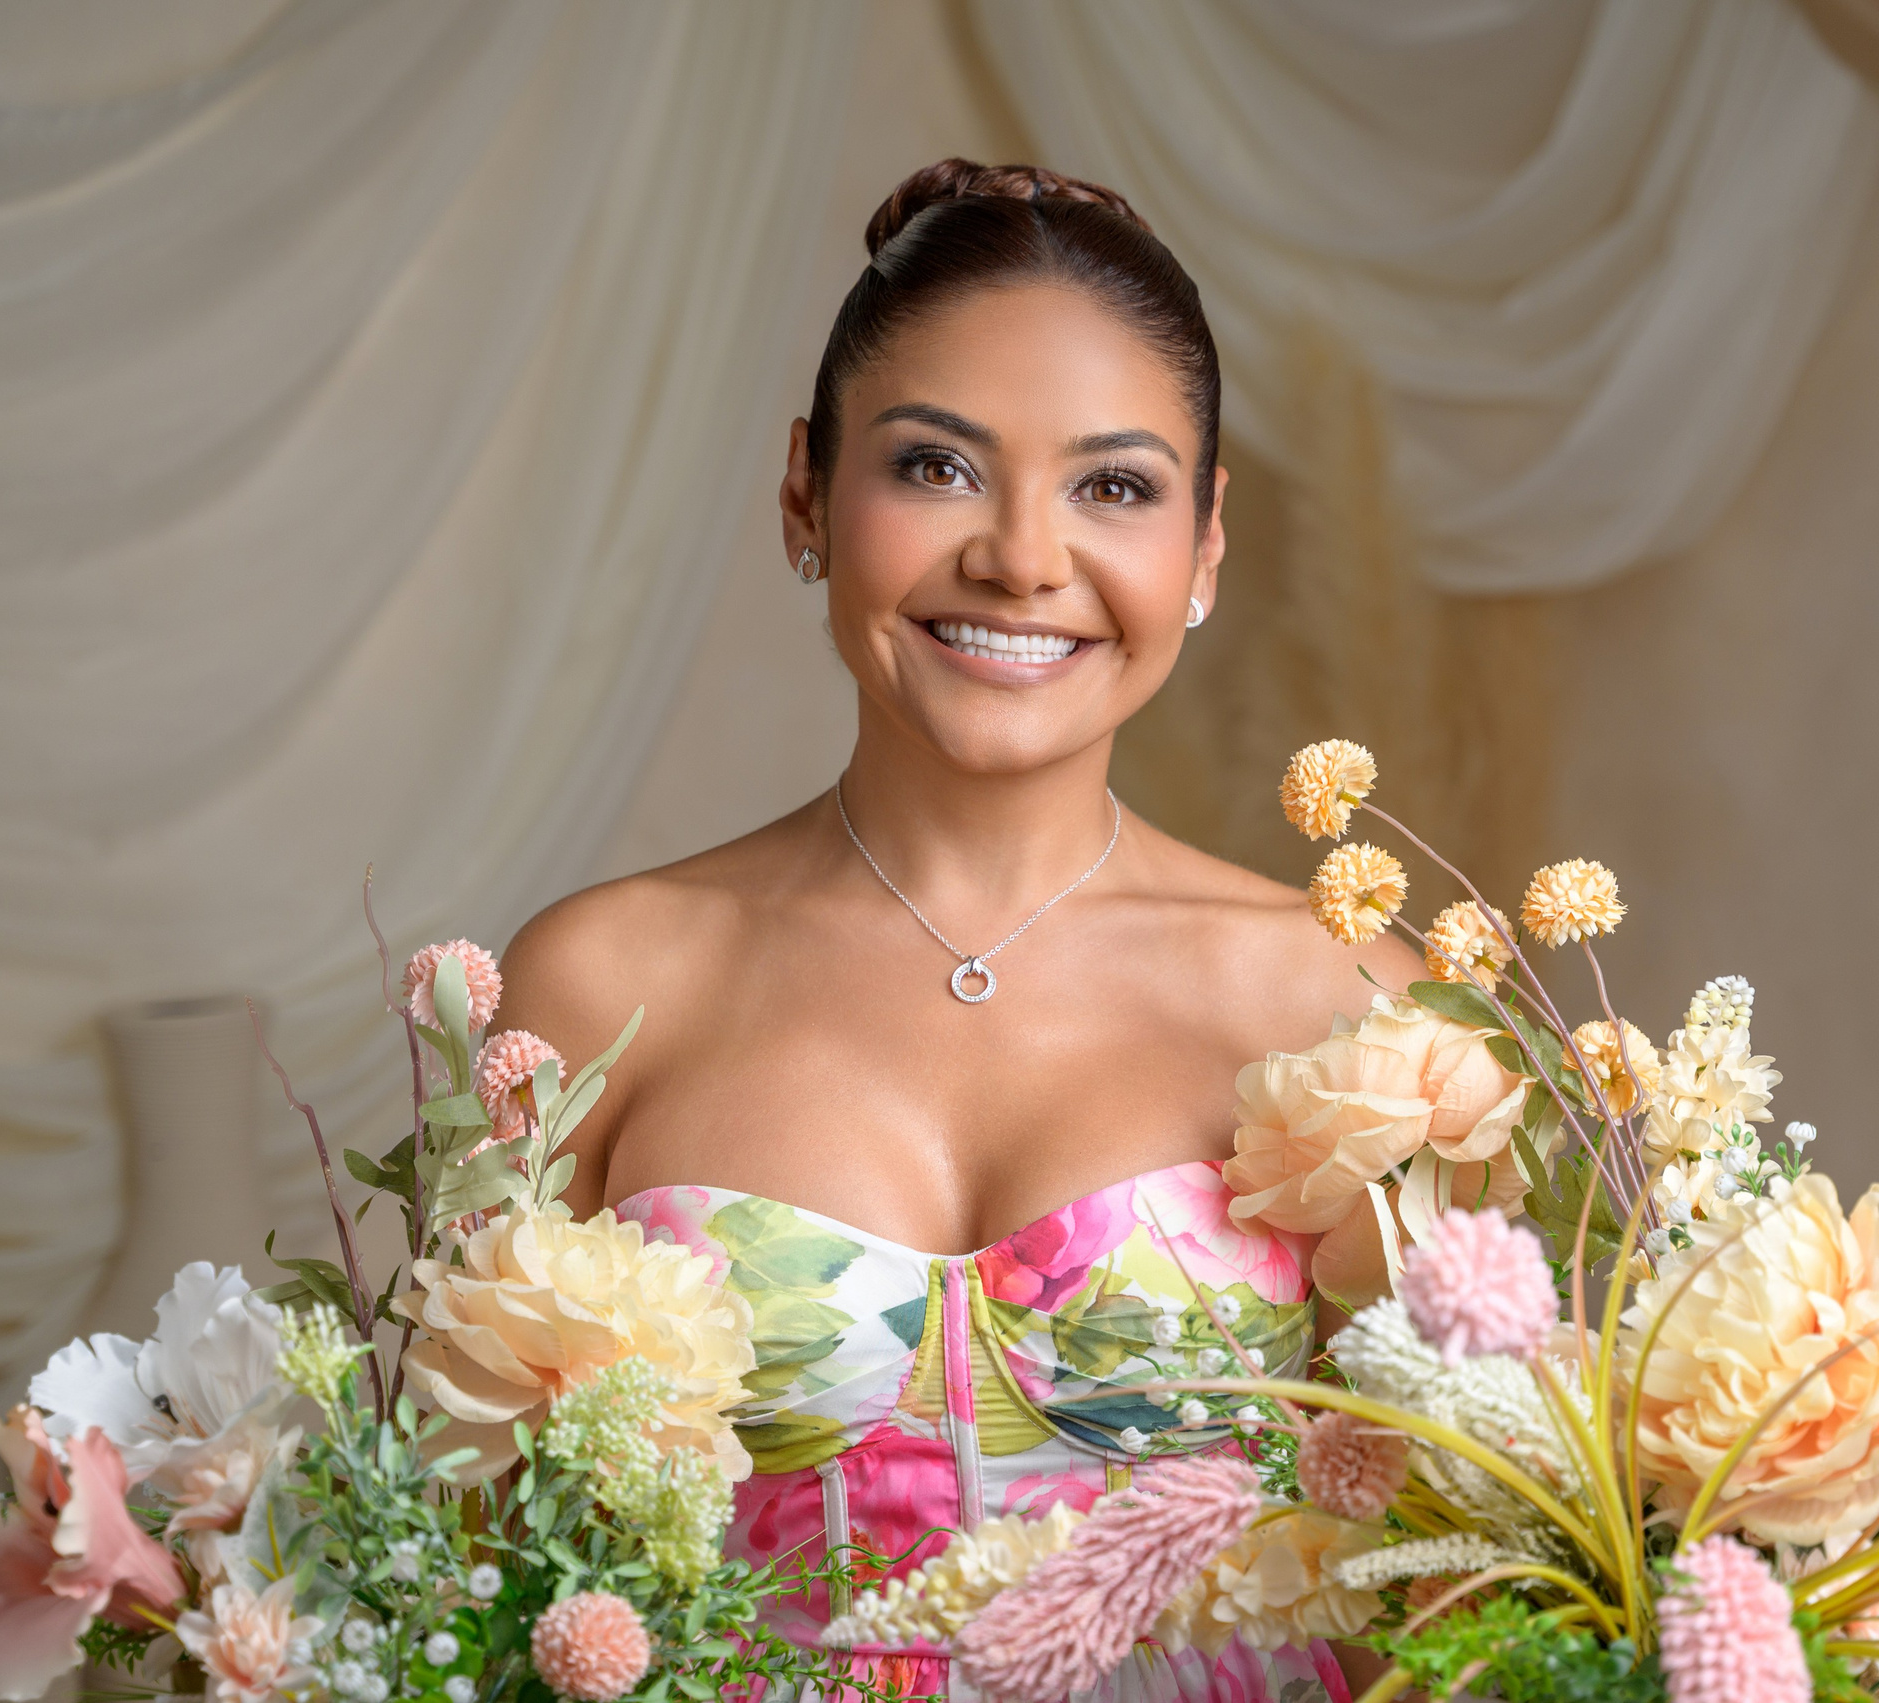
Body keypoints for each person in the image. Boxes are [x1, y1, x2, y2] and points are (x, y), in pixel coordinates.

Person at [496, 158, 1413, 1703]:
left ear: (1201, 548)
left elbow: (1479, 1585)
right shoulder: (598, 985)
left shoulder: (1356, 1011)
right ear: (805, 490)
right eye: (936, 467)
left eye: (1113, 487)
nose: (1021, 558)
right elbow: (464, 1579)